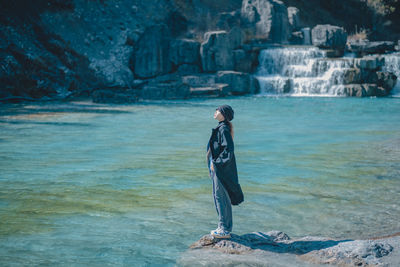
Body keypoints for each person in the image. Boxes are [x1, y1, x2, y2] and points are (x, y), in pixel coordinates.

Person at [206, 104, 244, 239]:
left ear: (223, 113)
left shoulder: (224, 129)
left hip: (220, 169)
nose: (215, 111)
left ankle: (225, 229)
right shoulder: (222, 127)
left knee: (221, 198)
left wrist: (216, 164)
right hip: (218, 168)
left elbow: (228, 150)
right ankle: (222, 226)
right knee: (218, 197)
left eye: (217, 110)